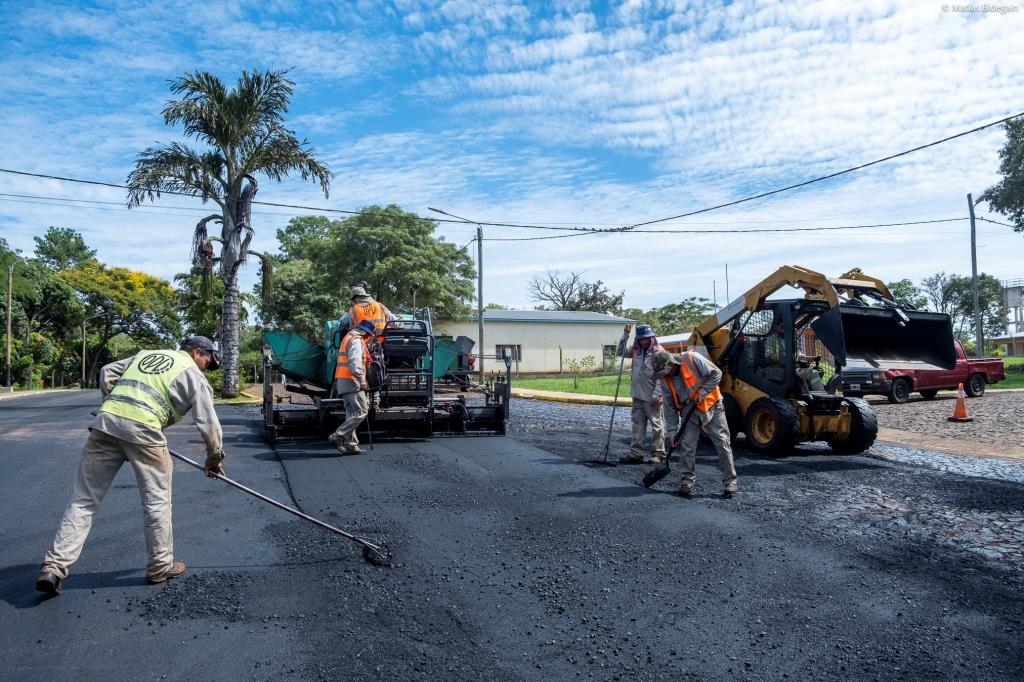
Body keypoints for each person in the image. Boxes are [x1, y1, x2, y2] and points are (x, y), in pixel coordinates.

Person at [36, 337, 225, 595]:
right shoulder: (194, 375)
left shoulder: (146, 354)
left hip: (106, 424)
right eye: (207, 361)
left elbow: (107, 372)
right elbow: (208, 423)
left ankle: (54, 567)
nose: (206, 368)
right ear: (197, 352)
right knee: (157, 502)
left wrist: (115, 410)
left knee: (83, 501)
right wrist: (214, 459)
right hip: (145, 432)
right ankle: (159, 567)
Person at [652, 349, 737, 498]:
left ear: (672, 364)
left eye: (666, 372)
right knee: (687, 447)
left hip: (712, 405)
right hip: (688, 412)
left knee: (723, 442)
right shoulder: (665, 380)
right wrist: (672, 432)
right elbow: (669, 407)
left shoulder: (692, 359)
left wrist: (703, 391)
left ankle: (730, 481)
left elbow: (716, 373)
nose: (665, 376)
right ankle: (686, 481)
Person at [616, 324, 666, 464]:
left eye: (646, 338)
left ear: (651, 338)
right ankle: (636, 454)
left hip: (652, 397)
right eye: (641, 339)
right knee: (637, 425)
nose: (644, 341)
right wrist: (625, 335)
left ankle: (658, 453)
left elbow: (662, 376)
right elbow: (620, 352)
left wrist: (657, 395)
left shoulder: (659, 353)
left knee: (656, 425)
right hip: (637, 395)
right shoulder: (636, 351)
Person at [329, 320, 376, 455]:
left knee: (351, 414)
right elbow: (354, 364)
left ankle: (351, 445)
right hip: (352, 380)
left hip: (343, 380)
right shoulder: (356, 340)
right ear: (366, 332)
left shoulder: (347, 338)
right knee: (362, 411)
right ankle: (338, 435)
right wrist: (362, 380)